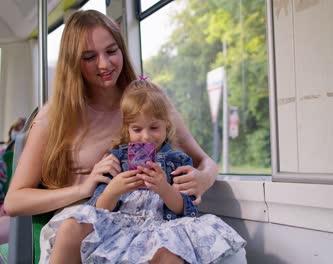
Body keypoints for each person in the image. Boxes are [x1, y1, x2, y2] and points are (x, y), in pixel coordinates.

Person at [4, 9, 219, 262]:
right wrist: (84, 189)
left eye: (111, 51)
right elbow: (15, 201)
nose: (104, 64)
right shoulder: (55, 115)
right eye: (89, 57)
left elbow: (204, 161)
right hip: (85, 223)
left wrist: (203, 178)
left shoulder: (148, 103)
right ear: (73, 62)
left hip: (144, 222)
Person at [40, 80, 246, 263]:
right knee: (70, 227)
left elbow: (186, 209)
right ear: (127, 130)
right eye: (137, 129)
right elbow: (97, 208)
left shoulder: (177, 161)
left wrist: (164, 188)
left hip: (162, 230)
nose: (146, 136)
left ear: (166, 126)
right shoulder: (115, 160)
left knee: (170, 255)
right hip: (119, 228)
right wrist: (114, 190)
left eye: (154, 128)